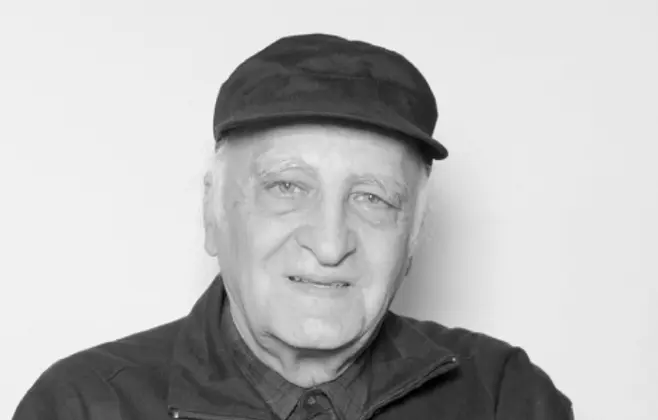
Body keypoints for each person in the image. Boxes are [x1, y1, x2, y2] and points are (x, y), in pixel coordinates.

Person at [13, 33, 573, 420]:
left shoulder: (504, 397)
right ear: (212, 212)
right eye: (287, 187)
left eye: (373, 198)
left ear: (413, 237)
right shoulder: (82, 406)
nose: (329, 244)